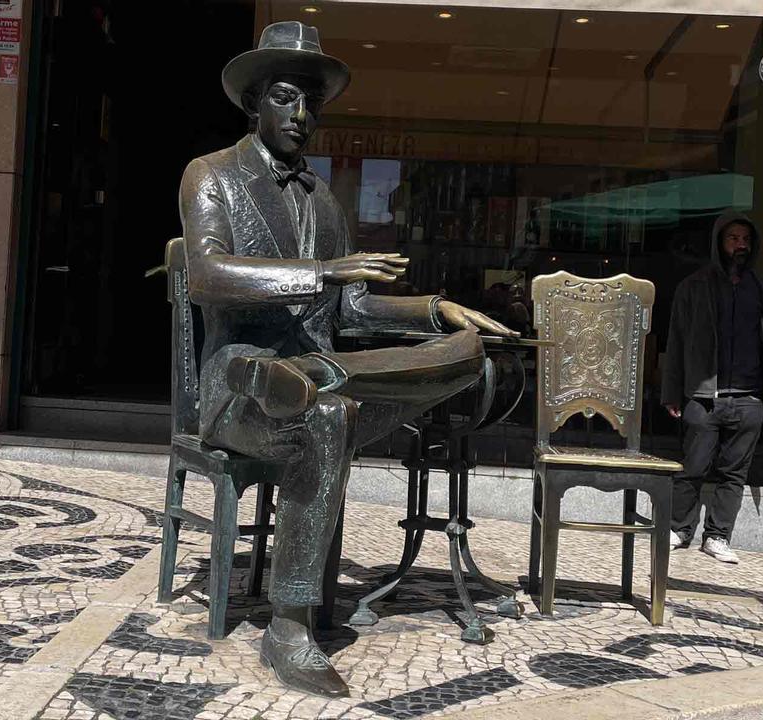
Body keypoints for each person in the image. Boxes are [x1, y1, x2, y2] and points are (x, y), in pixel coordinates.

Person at [179, 21, 516, 697]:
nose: (301, 114)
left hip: (314, 379)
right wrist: (322, 272)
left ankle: (323, 375)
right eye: (285, 97)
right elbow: (207, 276)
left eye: (311, 102)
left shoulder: (323, 200)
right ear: (255, 101)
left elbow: (353, 309)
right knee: (329, 417)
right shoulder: (210, 174)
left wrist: (434, 312)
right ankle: (289, 627)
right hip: (238, 386)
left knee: (462, 358)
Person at [660, 212, 763, 564]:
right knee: (693, 467)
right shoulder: (694, 287)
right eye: (733, 238)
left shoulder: (761, 289)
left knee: (734, 475)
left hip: (749, 399)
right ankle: (679, 529)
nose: (740, 245)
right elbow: (676, 340)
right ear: (720, 242)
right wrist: (672, 392)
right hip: (705, 399)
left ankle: (717, 537)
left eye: (745, 239)